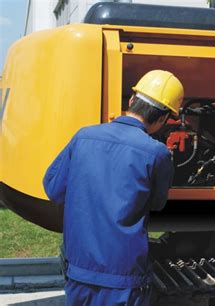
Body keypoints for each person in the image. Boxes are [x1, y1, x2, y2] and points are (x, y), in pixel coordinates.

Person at [43, 70, 184, 306]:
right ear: (162, 120)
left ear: (131, 101)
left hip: (79, 269)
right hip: (123, 277)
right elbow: (158, 204)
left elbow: (53, 188)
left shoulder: (83, 137)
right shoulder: (157, 153)